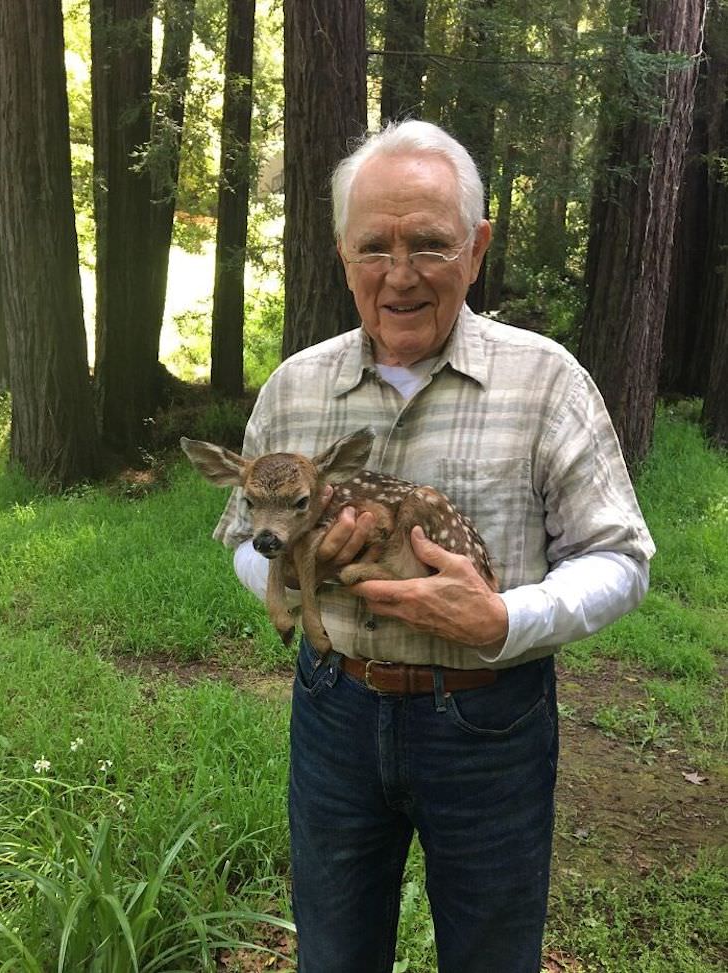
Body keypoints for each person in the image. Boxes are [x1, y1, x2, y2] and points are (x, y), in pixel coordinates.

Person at [213, 120, 655, 973]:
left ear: (478, 247)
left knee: (491, 953)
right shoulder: (295, 387)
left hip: (489, 720)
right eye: (374, 246)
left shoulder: (547, 381)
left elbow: (620, 556)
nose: (401, 274)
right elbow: (243, 539)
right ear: (341, 253)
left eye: (430, 244)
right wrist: (299, 577)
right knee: (334, 953)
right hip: (335, 704)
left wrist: (502, 619)